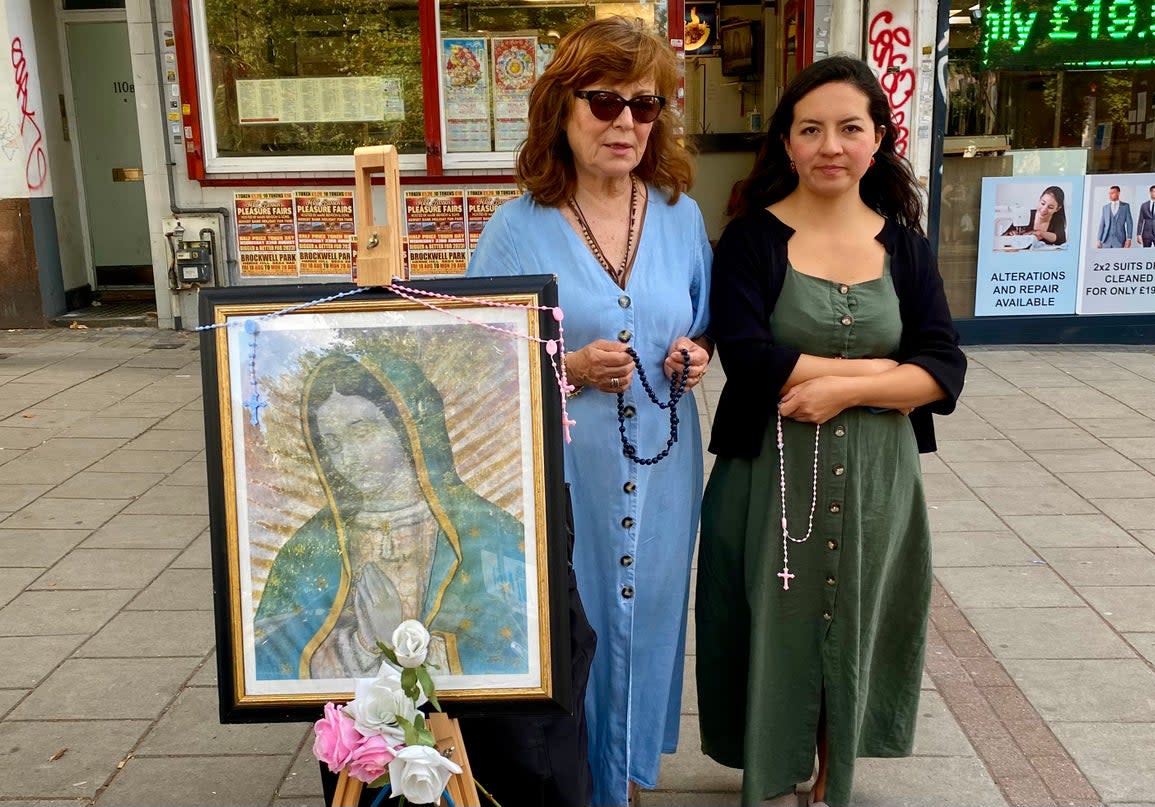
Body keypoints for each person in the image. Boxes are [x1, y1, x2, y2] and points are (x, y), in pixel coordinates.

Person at [695, 55, 966, 807]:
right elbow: (751, 355)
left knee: (856, 613)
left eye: (850, 128)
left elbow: (943, 368)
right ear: (786, 142)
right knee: (771, 618)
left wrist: (842, 389)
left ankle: (829, 768)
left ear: (878, 138)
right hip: (769, 471)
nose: (830, 146)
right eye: (810, 129)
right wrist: (889, 380)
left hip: (880, 473)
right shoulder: (751, 240)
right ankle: (770, 759)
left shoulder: (905, 247)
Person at [467, 16, 713, 807]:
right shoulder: (514, 229)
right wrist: (565, 367)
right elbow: (480, 361)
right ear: (561, 109)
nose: (626, 123)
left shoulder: (679, 214)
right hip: (569, 472)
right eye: (605, 102)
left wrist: (697, 352)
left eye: (646, 106)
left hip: (664, 461)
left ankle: (629, 777)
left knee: (649, 623)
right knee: (581, 625)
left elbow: (703, 317)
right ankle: (583, 785)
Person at [254, 350, 529, 681]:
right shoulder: (311, 547)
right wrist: (364, 644)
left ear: (408, 427)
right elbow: (270, 655)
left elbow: (518, 642)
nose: (348, 457)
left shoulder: (487, 531)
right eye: (332, 443)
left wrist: (403, 647)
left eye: (362, 431)